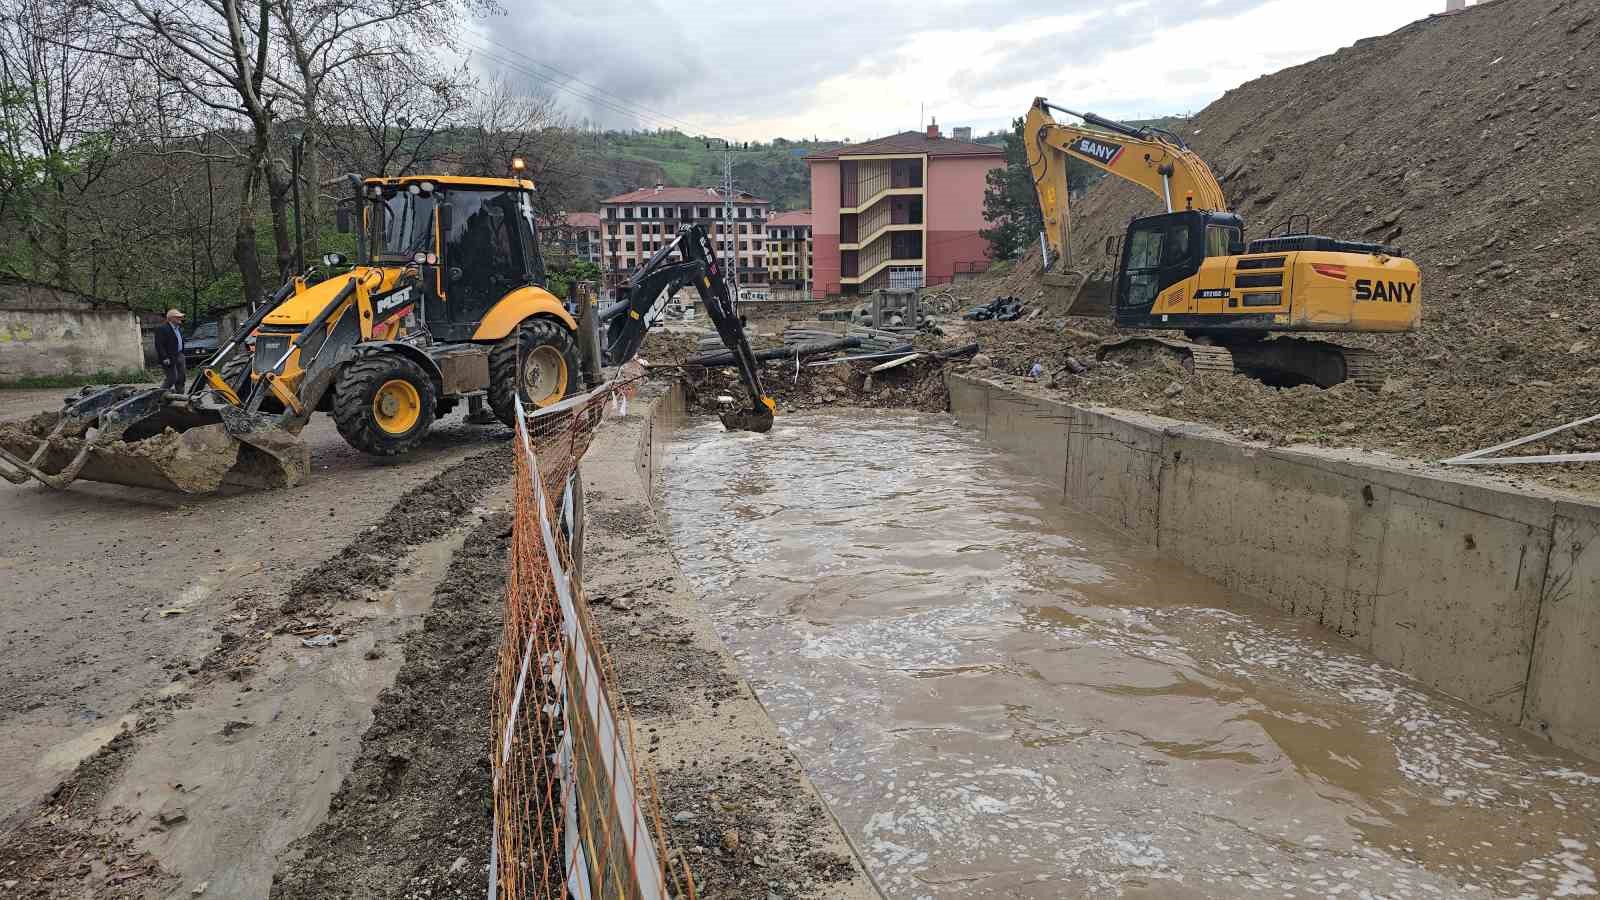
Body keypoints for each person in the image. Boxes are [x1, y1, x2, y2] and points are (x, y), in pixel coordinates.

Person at [154, 308, 187, 391]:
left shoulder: (178, 328)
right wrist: (165, 357)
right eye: (178, 317)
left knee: (181, 378)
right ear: (171, 318)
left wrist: (182, 353)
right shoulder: (162, 328)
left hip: (180, 355)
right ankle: (159, 394)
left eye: (180, 317)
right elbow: (159, 345)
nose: (180, 318)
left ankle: (180, 397)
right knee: (172, 378)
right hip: (169, 357)